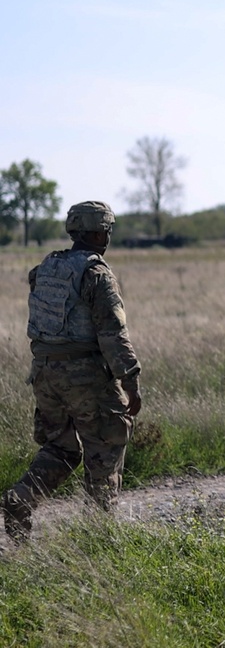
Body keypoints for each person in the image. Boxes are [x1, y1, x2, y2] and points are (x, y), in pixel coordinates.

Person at [2, 201, 142, 542]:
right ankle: (98, 533)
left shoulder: (47, 267)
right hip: (85, 375)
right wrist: (130, 380)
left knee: (61, 448)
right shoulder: (96, 273)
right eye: (106, 231)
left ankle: (21, 498)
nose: (107, 237)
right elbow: (112, 332)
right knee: (106, 444)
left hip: (45, 374)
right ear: (97, 232)